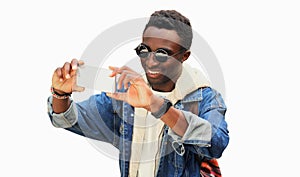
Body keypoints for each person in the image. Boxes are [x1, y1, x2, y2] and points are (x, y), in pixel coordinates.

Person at [47, 10, 229, 177]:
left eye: (162, 54)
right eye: (144, 51)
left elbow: (216, 143)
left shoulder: (205, 98)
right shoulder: (126, 94)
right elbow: (70, 119)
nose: (150, 62)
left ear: (184, 56)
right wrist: (60, 93)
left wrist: (156, 105)